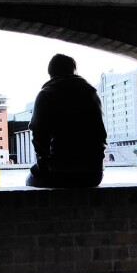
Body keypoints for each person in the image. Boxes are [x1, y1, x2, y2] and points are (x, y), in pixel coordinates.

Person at [26, 54, 107, 188]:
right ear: (74, 71)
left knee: (29, 181)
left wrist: (43, 164)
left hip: (60, 173)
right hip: (93, 174)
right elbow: (101, 135)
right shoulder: (91, 93)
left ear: (50, 73)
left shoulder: (46, 94)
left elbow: (38, 134)